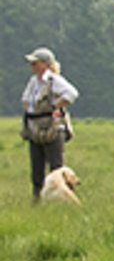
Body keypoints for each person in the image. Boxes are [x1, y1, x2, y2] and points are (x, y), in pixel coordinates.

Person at [21, 47, 79, 201]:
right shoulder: (33, 82)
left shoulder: (54, 80)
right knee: (37, 169)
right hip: (36, 128)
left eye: (35, 62)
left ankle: (62, 199)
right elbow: (25, 100)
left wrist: (55, 106)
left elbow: (72, 93)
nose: (32, 65)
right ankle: (38, 200)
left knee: (56, 168)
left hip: (52, 128)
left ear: (45, 64)